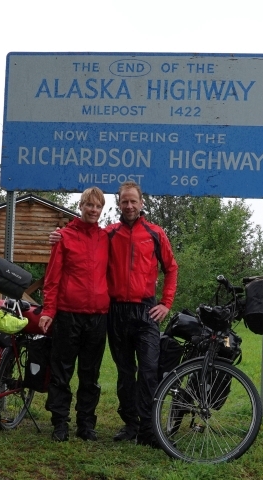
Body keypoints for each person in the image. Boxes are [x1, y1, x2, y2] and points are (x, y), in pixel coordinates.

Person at [49, 181, 178, 447]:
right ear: (119, 204)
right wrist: (57, 236)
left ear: (142, 203)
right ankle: (130, 424)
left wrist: (166, 303)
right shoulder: (108, 233)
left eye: (133, 201)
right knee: (124, 372)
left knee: (149, 370)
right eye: (124, 201)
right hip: (115, 311)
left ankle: (148, 429)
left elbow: (171, 268)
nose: (129, 206)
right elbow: (82, 237)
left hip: (145, 310)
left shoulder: (155, 233)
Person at [38, 187, 110, 442]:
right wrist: (48, 311)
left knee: (90, 374)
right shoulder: (64, 237)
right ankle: (59, 422)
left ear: (102, 209)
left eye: (98, 206)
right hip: (69, 314)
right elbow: (52, 278)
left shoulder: (106, 238)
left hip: (98, 315)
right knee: (62, 371)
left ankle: (86, 424)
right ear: (81, 206)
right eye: (89, 205)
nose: (93, 210)